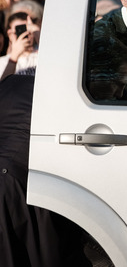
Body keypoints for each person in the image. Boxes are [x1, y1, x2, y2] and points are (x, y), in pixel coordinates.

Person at [0, 75, 91, 266]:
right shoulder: (71, 102)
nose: (120, 93)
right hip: (22, 191)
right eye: (120, 84)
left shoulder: (13, 83)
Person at [0, 12, 40, 80]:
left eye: (28, 31)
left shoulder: (40, 56)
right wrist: (14, 56)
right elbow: (3, 87)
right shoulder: (2, 62)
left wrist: (36, 31)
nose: (25, 35)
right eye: (19, 31)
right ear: (10, 34)